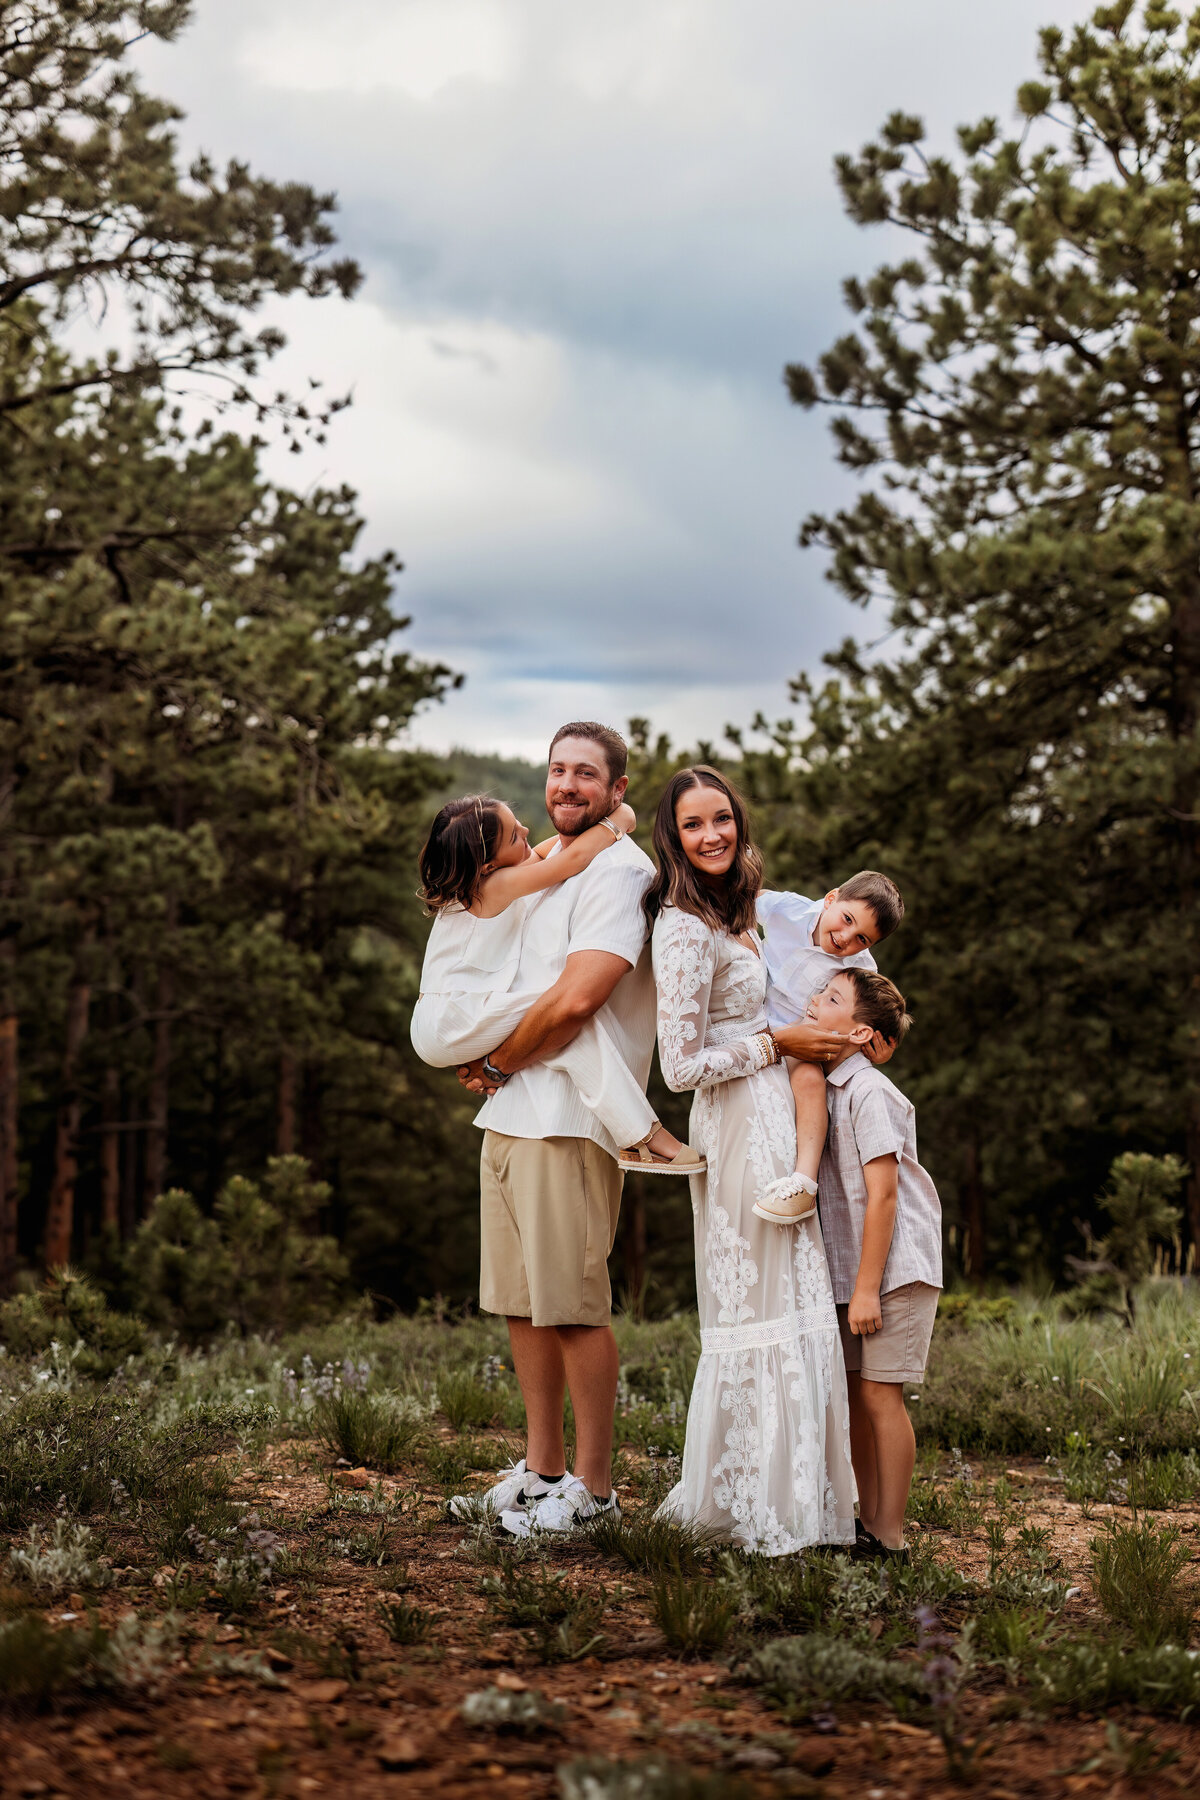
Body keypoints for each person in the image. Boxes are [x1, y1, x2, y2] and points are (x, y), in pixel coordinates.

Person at [442, 724, 699, 1538]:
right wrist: (491, 1069)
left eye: (587, 774)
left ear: (616, 791)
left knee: (575, 1307)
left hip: (572, 1119)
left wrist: (498, 1062)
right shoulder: (542, 864)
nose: (567, 784)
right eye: (557, 769)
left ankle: (593, 1489)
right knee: (522, 1306)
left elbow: (578, 998)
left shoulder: (621, 873)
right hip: (512, 1119)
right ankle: (541, 1470)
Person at [646, 766, 856, 1554]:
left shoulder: (740, 916)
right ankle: (746, 1501)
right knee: (756, 1311)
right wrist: (781, 1043)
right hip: (734, 1128)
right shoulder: (682, 927)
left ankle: (803, 1500)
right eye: (694, 824)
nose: (713, 836)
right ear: (672, 835)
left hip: (778, 1120)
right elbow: (681, 1066)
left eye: (723, 819)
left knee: (795, 1304)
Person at [411, 792, 696, 1174]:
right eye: (515, 836)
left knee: (560, 1016)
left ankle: (638, 1132)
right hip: (452, 1018)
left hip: (443, 1018)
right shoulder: (494, 887)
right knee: (564, 1011)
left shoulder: (476, 881)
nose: (527, 831)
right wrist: (620, 819)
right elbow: (570, 860)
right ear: (489, 864)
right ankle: (643, 1135)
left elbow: (547, 852)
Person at [807, 967, 942, 1561]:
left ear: (861, 1033)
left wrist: (866, 1291)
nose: (815, 1001)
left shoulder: (870, 1093)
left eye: (831, 998)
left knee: (882, 1397)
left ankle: (891, 1534)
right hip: (858, 1272)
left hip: (894, 1273)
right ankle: (865, 1520)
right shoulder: (829, 1089)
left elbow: (883, 1195)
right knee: (858, 1395)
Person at [754, 874, 905, 1225]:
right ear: (831, 899)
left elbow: (868, 1019)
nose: (845, 938)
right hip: (750, 1019)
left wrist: (875, 1054)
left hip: (802, 1039)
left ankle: (804, 1183)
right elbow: (742, 899)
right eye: (847, 919)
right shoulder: (788, 909)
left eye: (862, 939)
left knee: (810, 1082)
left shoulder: (861, 969)